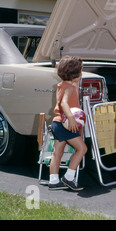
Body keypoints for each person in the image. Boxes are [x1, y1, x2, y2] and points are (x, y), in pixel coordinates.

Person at [49, 56, 87, 191]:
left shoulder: (61, 85)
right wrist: (71, 118)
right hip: (66, 125)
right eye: (80, 72)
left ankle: (53, 181)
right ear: (74, 74)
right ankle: (69, 177)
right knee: (82, 149)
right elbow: (64, 103)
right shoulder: (69, 88)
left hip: (57, 124)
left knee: (57, 153)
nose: (82, 75)